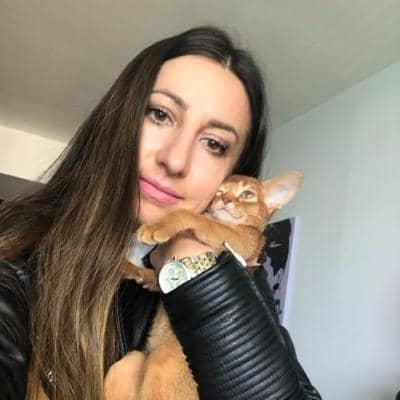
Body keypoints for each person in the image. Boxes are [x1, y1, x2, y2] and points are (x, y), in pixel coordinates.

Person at [0, 26, 322, 399]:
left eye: (214, 144)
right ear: (121, 117)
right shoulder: (18, 260)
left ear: (231, 172)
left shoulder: (241, 279)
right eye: (160, 114)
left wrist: (195, 258)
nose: (175, 159)